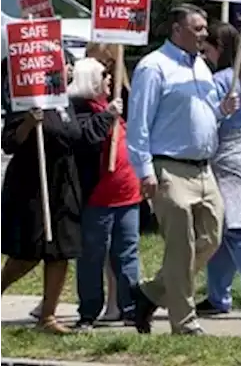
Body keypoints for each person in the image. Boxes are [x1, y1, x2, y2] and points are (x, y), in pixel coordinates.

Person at [127, 4, 236, 336]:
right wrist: (144, 171)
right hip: (168, 168)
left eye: (205, 29)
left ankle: (150, 292)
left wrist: (221, 111)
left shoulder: (202, 66)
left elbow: (198, 117)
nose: (205, 34)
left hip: (204, 169)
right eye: (198, 28)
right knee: (181, 247)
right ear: (177, 30)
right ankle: (185, 324)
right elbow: (139, 124)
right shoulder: (153, 67)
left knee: (213, 237)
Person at [0, 89, 120, 333]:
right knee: (29, 253)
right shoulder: (24, 102)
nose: (68, 70)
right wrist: (29, 124)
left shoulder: (65, 104)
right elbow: (9, 143)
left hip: (64, 183)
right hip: (31, 185)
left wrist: (107, 116)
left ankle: (48, 317)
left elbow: (79, 137)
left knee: (61, 251)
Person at [196, 21, 241, 320]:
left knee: (237, 230)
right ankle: (217, 294)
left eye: (207, 48)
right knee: (222, 230)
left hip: (228, 156)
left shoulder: (219, 80)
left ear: (219, 48)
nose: (204, 54)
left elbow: (207, 120)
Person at [69, 50, 143, 329]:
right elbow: (86, 138)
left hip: (127, 195)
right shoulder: (79, 109)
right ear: (90, 79)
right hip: (97, 198)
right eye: (103, 76)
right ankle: (88, 311)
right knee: (92, 255)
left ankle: (131, 307)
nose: (109, 79)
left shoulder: (115, 105)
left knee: (128, 253)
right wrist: (108, 116)